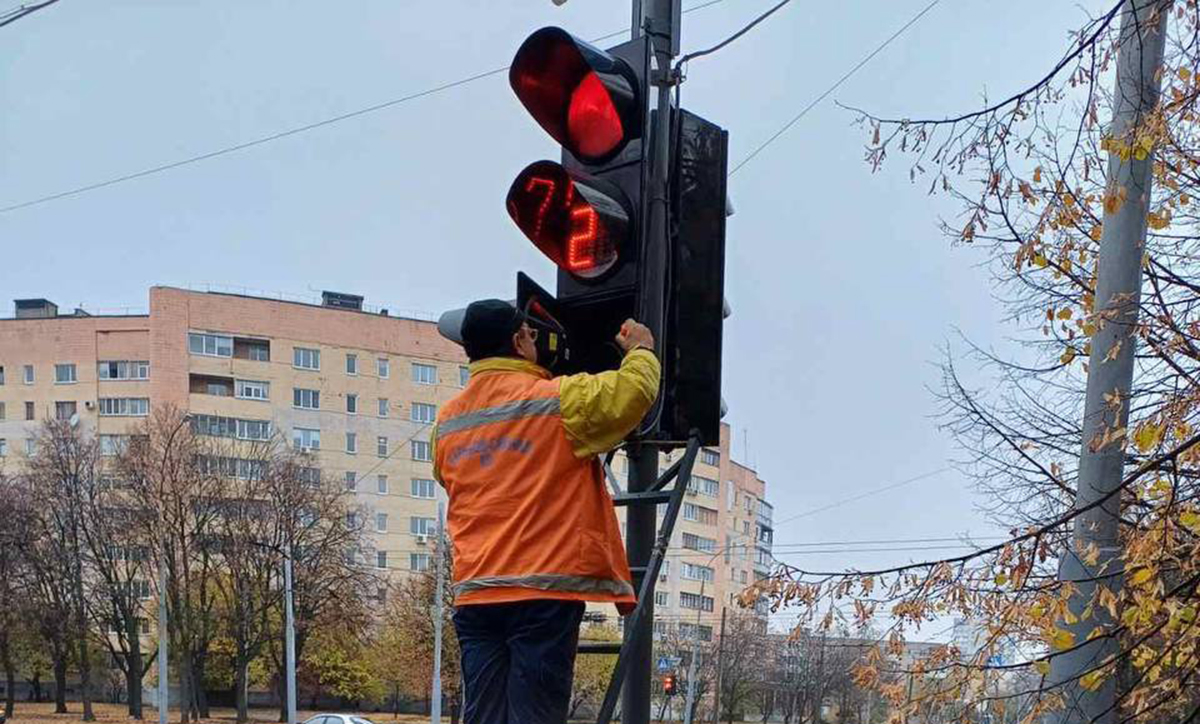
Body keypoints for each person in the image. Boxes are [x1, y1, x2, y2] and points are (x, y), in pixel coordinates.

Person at [432, 298, 660, 724]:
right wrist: (641, 349)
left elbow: (454, 480)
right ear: (519, 340)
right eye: (531, 334)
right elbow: (634, 393)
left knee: (483, 716)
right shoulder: (557, 401)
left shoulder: (447, 424)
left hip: (477, 595)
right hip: (541, 593)